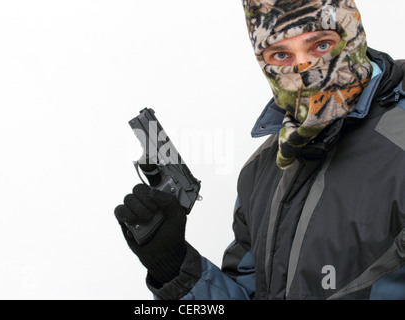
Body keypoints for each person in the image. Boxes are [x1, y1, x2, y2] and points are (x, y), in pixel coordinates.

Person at [114, 0, 405, 300]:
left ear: (352, 32)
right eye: (281, 55)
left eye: (320, 45)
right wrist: (175, 269)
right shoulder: (261, 170)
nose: (304, 71)